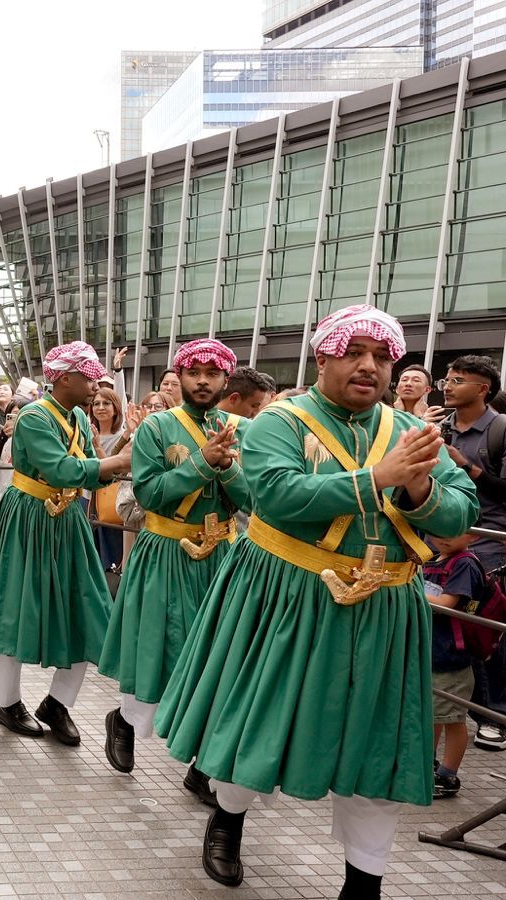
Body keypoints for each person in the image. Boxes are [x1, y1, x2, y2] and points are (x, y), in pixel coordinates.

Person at [155, 305, 478, 898]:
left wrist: (419, 484)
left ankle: (365, 882)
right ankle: (227, 817)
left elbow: (461, 512)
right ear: (322, 357)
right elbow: (275, 495)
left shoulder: (410, 431)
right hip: (289, 598)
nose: (369, 366)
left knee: (377, 746)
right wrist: (377, 478)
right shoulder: (281, 420)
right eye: (354, 353)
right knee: (261, 723)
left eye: (382, 357)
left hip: (386, 609)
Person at [0, 343, 134, 744]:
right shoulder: (35, 416)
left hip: (67, 520)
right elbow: (62, 468)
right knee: (13, 607)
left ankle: (57, 703)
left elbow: (88, 471)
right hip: (28, 518)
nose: (95, 384)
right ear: (65, 378)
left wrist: (115, 457)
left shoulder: (75, 416)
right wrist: (114, 463)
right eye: (89, 377)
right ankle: (7, 704)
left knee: (86, 610)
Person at [99, 339, 249, 801]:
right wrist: (204, 463)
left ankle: (204, 765)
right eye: (193, 371)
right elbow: (148, 493)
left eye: (212, 372)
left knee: (218, 659)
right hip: (164, 548)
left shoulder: (241, 428)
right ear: (180, 377)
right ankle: (125, 718)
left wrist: (225, 471)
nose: (203, 380)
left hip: (222, 554)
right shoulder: (157, 427)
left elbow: (252, 501)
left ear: (227, 380)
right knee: (157, 649)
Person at [438, 355, 506, 751]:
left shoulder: (499, 431)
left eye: (458, 380)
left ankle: (493, 715)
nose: (447, 386)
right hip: (442, 542)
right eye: (446, 378)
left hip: (490, 545)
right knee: (448, 626)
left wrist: (466, 466)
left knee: (487, 629)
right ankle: (451, 710)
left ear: (483, 389)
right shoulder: (440, 427)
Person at [423, 529, 486, 798]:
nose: (443, 535)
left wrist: (412, 592)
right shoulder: (433, 559)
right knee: (434, 713)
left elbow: (449, 603)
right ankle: (428, 764)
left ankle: (448, 775)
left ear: (473, 535)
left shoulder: (465, 563)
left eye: (453, 530)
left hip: (452, 657)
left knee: (454, 720)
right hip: (432, 652)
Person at [90, 387, 129, 572]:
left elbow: (113, 470)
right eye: (96, 403)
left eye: (106, 403)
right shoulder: (84, 433)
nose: (101, 407)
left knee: (111, 557)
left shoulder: (124, 437)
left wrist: (97, 448)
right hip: (87, 499)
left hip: (111, 503)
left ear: (116, 408)